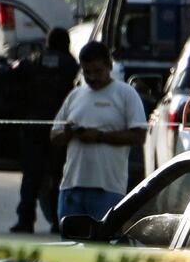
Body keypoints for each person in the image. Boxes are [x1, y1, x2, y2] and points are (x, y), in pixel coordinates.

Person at [50, 42, 148, 222]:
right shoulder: (75, 95)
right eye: (87, 72)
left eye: (97, 71)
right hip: (72, 187)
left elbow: (139, 136)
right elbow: (54, 136)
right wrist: (68, 134)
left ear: (109, 66)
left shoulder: (126, 94)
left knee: (102, 245)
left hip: (108, 189)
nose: (92, 77)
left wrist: (100, 137)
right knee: (70, 246)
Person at [10, 28, 78, 234]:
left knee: (31, 175)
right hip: (58, 128)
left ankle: (25, 220)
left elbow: (15, 73)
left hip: (33, 126)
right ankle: (59, 221)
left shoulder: (36, 60)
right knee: (58, 176)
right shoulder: (71, 65)